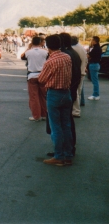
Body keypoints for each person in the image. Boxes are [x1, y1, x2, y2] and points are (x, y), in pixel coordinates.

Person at [38, 34, 73, 166]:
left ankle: (58, 155)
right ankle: (68, 154)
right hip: (66, 93)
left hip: (54, 94)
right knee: (66, 125)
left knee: (56, 126)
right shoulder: (67, 57)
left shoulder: (50, 62)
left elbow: (41, 79)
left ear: (47, 46)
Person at [21, 36, 48, 121]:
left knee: (34, 97)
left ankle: (36, 115)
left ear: (32, 42)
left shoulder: (29, 52)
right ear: (40, 43)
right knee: (43, 96)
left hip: (32, 75)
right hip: (43, 75)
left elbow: (22, 57)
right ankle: (44, 114)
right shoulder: (45, 52)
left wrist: (28, 48)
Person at [71, 36, 88, 117]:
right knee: (79, 92)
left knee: (75, 92)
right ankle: (77, 110)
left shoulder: (72, 49)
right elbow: (86, 60)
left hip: (76, 73)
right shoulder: (82, 48)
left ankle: (76, 111)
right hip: (82, 72)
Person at [87, 36, 102, 100]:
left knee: (95, 81)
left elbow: (88, 56)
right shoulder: (99, 48)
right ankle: (96, 94)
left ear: (95, 41)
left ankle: (96, 94)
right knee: (95, 80)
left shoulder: (95, 49)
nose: (91, 41)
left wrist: (88, 51)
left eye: (92, 40)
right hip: (97, 64)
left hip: (93, 64)